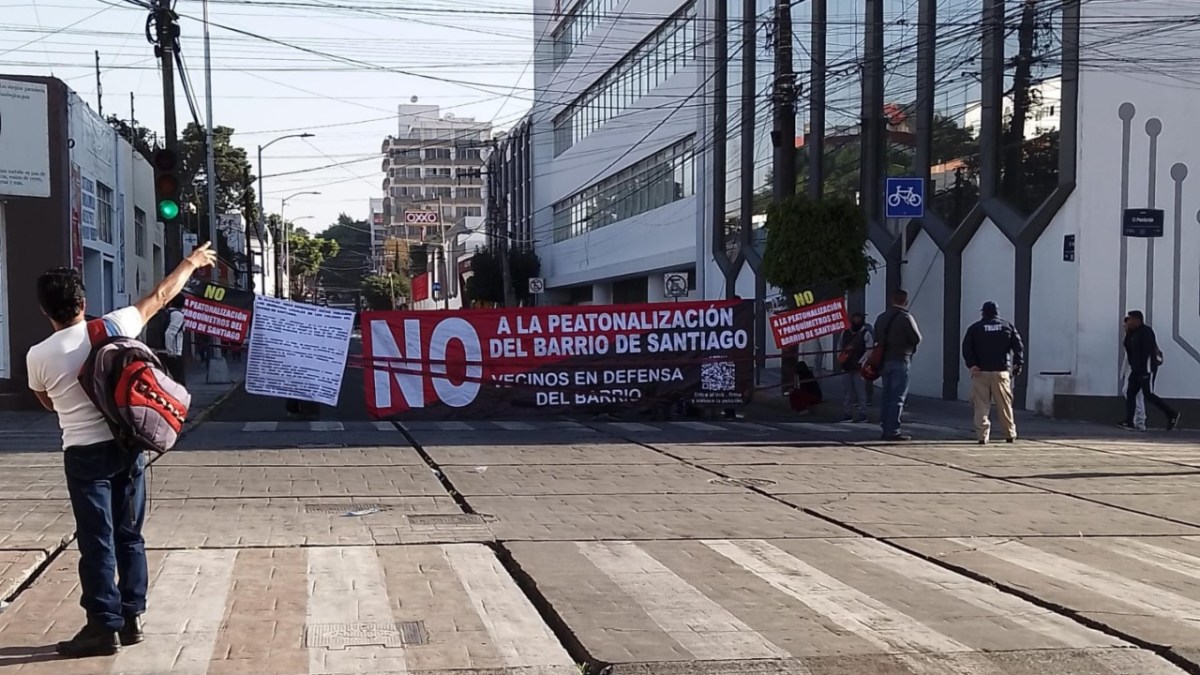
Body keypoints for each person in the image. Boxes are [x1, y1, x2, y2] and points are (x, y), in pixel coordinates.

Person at [26, 243, 217, 658]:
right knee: (130, 535)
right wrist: (191, 261)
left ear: (46, 310)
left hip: (83, 456)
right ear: (83, 302)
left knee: (97, 541)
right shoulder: (114, 326)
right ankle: (132, 619)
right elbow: (161, 296)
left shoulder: (38, 355)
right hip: (128, 447)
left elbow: (46, 402)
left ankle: (102, 627)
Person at [962, 301, 1025, 444]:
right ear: (997, 312)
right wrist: (1017, 364)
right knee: (1004, 405)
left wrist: (971, 364)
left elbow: (966, 348)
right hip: (1001, 372)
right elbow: (1018, 346)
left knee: (981, 406)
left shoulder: (975, 328)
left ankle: (982, 437)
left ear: (983, 312)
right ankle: (1010, 433)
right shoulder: (1007, 326)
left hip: (980, 372)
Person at [873, 290, 922, 441]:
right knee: (898, 397)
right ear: (905, 302)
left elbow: (876, 337)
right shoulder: (906, 318)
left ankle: (885, 427)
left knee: (886, 395)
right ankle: (892, 430)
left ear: (891, 299)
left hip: (884, 361)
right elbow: (916, 338)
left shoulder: (881, 317)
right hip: (901, 359)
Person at [1122, 310, 1180, 431]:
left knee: (1148, 395)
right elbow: (1128, 348)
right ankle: (1129, 421)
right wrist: (1128, 332)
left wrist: (1144, 371)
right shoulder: (1132, 333)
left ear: (1138, 320)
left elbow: (1147, 352)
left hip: (1146, 369)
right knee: (1130, 392)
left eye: (1131, 319)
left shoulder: (1146, 332)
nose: (1129, 322)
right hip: (1136, 369)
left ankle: (1171, 414)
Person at [837, 312, 874, 422]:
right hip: (846, 366)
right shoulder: (845, 332)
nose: (856, 321)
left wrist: (862, 361)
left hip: (859, 368)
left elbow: (870, 349)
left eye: (859, 319)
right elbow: (839, 346)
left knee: (860, 392)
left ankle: (862, 414)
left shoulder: (866, 333)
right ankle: (847, 414)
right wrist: (840, 359)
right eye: (855, 319)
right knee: (847, 392)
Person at [162, 296, 186, 385]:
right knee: (179, 383)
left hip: (162, 352)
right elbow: (169, 334)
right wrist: (171, 352)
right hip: (174, 354)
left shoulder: (165, 313)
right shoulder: (178, 315)